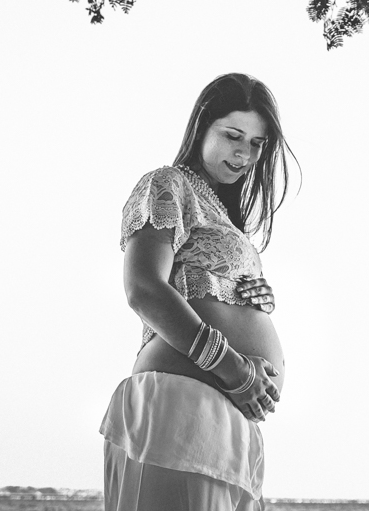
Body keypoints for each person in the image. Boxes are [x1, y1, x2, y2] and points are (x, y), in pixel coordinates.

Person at [100, 74, 295, 511]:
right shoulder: (169, 184)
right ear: (201, 126)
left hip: (227, 421)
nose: (244, 152)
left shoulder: (228, 219)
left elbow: (203, 283)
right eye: (232, 136)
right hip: (179, 405)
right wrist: (235, 369)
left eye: (258, 143)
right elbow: (144, 289)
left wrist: (253, 297)